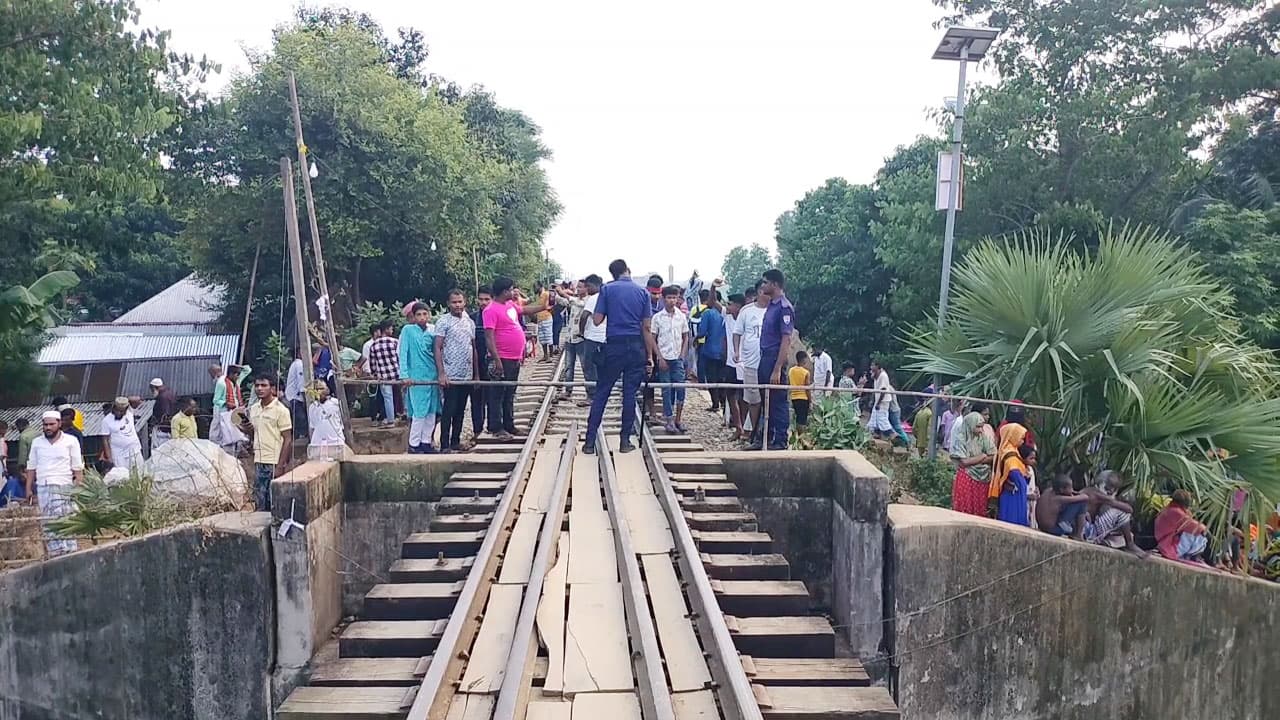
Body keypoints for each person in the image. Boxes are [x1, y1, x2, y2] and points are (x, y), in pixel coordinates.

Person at [584, 259, 656, 455]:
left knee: (602, 392)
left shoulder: (607, 290)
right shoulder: (643, 293)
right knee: (629, 394)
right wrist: (649, 356)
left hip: (614, 346)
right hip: (635, 348)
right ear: (628, 271)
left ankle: (589, 443)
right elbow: (647, 327)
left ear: (613, 274)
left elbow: (597, 321)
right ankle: (625, 442)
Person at [485, 278, 548, 440]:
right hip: (501, 358)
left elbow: (525, 310)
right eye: (512, 289)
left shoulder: (510, 305)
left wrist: (543, 305)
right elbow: (489, 337)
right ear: (504, 291)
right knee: (497, 393)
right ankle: (496, 427)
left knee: (510, 392)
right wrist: (496, 359)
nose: (515, 292)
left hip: (513, 358)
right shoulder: (490, 310)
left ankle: (509, 425)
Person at [25, 411, 84, 556]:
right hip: (43, 486)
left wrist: (78, 489)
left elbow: (77, 468)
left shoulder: (71, 441)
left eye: (51, 424)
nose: (48, 427)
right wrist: (28, 489)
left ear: (59, 424)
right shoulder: (37, 442)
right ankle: (55, 553)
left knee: (66, 518)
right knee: (48, 520)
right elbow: (31, 467)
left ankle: (70, 551)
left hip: (64, 486)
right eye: (45, 425)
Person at [752, 269, 795, 451]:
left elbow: (786, 340)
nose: (763, 286)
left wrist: (778, 368)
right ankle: (765, 439)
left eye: (766, 282)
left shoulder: (784, 307)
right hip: (765, 357)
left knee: (778, 400)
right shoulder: (772, 305)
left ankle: (780, 440)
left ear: (775, 285)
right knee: (766, 398)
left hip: (774, 358)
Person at [240, 375, 292, 511]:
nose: (259, 389)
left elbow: (287, 438)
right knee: (259, 501)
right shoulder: (254, 409)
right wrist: (248, 430)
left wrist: (281, 466)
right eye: (257, 386)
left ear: (273, 389)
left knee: (274, 503)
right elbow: (254, 435)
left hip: (274, 462)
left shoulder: (281, 410)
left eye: (264, 385)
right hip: (258, 460)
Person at [435, 289, 478, 452]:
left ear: (465, 302)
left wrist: (476, 374)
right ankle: (444, 444)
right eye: (454, 302)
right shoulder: (443, 322)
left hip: (466, 374)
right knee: (449, 409)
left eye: (460, 301)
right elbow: (437, 348)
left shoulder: (469, 322)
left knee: (461, 409)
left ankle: (455, 441)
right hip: (450, 374)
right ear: (448, 304)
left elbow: (473, 348)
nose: (457, 305)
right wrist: (441, 373)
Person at [400, 302, 444, 453]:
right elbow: (403, 353)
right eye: (418, 314)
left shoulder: (433, 330)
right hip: (416, 377)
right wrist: (404, 375)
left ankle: (426, 442)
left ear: (429, 314)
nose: (422, 317)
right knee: (419, 412)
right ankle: (414, 444)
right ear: (413, 316)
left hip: (432, 375)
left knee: (432, 411)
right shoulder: (408, 331)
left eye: (425, 314)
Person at [651, 285, 691, 434]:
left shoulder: (681, 316)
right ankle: (669, 420)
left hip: (677, 358)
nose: (672, 301)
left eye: (675, 297)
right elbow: (653, 338)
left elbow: (686, 335)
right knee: (666, 390)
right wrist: (659, 357)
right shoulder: (657, 318)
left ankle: (678, 419)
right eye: (669, 297)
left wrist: (683, 354)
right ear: (664, 298)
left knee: (680, 388)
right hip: (664, 358)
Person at [1082, 470, 1147, 557]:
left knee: (1126, 535)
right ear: (1101, 483)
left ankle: (1108, 542)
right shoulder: (1097, 493)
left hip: (1088, 529)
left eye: (1114, 488)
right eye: (1109, 486)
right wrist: (1111, 500)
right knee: (1121, 513)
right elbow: (1129, 509)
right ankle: (1130, 545)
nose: (1111, 491)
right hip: (1087, 531)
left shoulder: (1090, 490)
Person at [734, 283, 768, 445]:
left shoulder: (775, 310)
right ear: (759, 292)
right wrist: (736, 352)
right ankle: (750, 432)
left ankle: (757, 432)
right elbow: (737, 332)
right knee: (753, 399)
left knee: (768, 398)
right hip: (751, 362)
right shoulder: (746, 311)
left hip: (768, 363)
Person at [950, 406, 994, 516]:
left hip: (982, 479)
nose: (980, 430)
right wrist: (982, 456)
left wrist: (975, 460)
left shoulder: (983, 437)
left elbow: (993, 455)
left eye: (981, 427)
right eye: (978, 427)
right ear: (970, 425)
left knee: (979, 509)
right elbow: (964, 462)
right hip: (967, 478)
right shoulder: (961, 438)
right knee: (965, 508)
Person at [991, 423, 1031, 526]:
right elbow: (1013, 471)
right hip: (1012, 493)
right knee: (1011, 521)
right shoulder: (1009, 453)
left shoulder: (1014, 450)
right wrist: (1022, 479)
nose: (1022, 441)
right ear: (1012, 436)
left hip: (1015, 491)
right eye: (1021, 438)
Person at [1154, 489, 1209, 564]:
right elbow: (1197, 527)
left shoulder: (1170, 509)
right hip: (1168, 546)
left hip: (1164, 542)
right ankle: (1192, 555)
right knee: (1200, 536)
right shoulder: (1176, 512)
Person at [697, 294, 728, 414]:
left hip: (709, 350)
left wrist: (696, 339)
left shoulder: (707, 314)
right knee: (722, 378)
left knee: (711, 377)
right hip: (724, 352)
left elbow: (702, 332)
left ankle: (715, 403)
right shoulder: (727, 313)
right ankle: (724, 403)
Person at [209, 362, 249, 454]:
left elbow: (248, 369)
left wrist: (239, 366)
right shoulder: (221, 383)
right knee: (223, 434)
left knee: (235, 432)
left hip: (234, 411)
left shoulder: (236, 382)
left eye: (239, 374)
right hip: (223, 412)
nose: (238, 376)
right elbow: (216, 400)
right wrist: (226, 403)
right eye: (236, 374)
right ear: (230, 374)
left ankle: (235, 453)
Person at [367, 320, 401, 429]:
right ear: (386, 329)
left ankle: (390, 420)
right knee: (404, 395)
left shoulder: (374, 345)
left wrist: (374, 373)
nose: (392, 330)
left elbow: (372, 363)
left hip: (383, 376)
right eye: (391, 328)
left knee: (388, 398)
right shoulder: (395, 342)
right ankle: (405, 415)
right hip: (397, 374)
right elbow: (401, 357)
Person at [579, 274, 606, 407]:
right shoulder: (607, 296)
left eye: (588, 286)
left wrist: (581, 332)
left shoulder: (593, 298)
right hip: (606, 338)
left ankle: (591, 396)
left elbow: (584, 316)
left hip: (593, 337)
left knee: (589, 366)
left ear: (595, 285)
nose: (587, 289)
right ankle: (601, 394)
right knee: (602, 367)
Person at [560, 281, 589, 402]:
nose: (577, 289)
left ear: (586, 288)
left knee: (586, 366)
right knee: (568, 366)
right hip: (570, 338)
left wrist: (563, 293)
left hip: (581, 338)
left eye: (580, 287)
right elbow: (564, 301)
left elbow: (576, 302)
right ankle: (568, 390)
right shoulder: (575, 300)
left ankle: (590, 392)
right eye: (577, 287)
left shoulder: (588, 301)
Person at [722, 294, 744, 440]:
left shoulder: (746, 318)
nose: (727, 306)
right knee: (730, 395)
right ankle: (738, 426)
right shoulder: (727, 317)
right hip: (731, 363)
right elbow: (712, 302)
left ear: (737, 306)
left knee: (744, 398)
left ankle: (746, 428)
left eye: (730, 304)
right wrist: (713, 288)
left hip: (744, 363)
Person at [470, 288, 492, 433]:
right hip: (475, 363)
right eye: (481, 299)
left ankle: (493, 427)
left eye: (487, 299)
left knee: (493, 398)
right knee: (476, 400)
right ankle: (477, 431)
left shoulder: (496, 315)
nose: (483, 302)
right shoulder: (471, 318)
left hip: (493, 362)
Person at [101, 397, 144, 470]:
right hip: (119, 455)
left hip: (135, 450)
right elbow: (105, 440)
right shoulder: (106, 421)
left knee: (141, 475)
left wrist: (124, 400)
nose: (119, 413)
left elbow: (138, 400)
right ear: (114, 409)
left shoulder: (129, 412)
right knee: (123, 477)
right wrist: (109, 458)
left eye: (122, 411)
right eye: (118, 411)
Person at [307, 380, 346, 461]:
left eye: (321, 388)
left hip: (335, 443)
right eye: (316, 389)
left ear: (327, 390)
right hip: (318, 445)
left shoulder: (336, 403)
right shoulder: (312, 407)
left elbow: (342, 422)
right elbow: (313, 426)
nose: (319, 391)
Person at [284, 347, 308, 438]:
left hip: (293, 397)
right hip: (296, 397)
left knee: (297, 422)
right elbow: (301, 384)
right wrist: (305, 399)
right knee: (301, 422)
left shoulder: (295, 364)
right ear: (299, 353)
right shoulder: (299, 364)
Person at [867, 361, 894, 439]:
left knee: (882, 419)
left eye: (873, 365)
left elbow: (883, 390)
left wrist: (878, 403)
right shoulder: (877, 375)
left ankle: (893, 435)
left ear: (877, 366)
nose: (871, 367)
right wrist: (874, 376)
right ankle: (876, 434)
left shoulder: (883, 375)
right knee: (874, 418)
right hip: (878, 400)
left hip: (883, 400)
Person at [149, 377, 178, 450]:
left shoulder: (162, 397)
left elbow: (165, 414)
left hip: (164, 429)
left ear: (155, 388)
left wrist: (159, 425)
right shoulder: (169, 393)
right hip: (171, 427)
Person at [788, 350, 812, 429]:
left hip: (794, 397)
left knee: (797, 418)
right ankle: (801, 438)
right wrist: (810, 400)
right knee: (802, 420)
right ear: (804, 359)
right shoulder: (806, 372)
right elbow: (807, 388)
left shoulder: (791, 370)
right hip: (803, 398)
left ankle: (796, 436)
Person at [533, 282, 556, 362]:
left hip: (547, 317)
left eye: (535, 287)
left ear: (540, 287)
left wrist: (549, 309)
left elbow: (553, 304)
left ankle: (550, 356)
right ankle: (545, 355)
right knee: (542, 338)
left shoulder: (546, 294)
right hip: (540, 318)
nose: (534, 289)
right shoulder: (538, 296)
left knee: (548, 337)